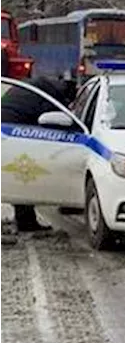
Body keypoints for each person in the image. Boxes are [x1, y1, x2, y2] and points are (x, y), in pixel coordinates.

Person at [0, 78, 74, 232]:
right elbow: (55, 122)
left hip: (6, 127)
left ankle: (24, 219)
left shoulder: (36, 86)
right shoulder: (51, 97)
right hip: (16, 131)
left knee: (18, 173)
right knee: (24, 173)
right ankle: (26, 221)